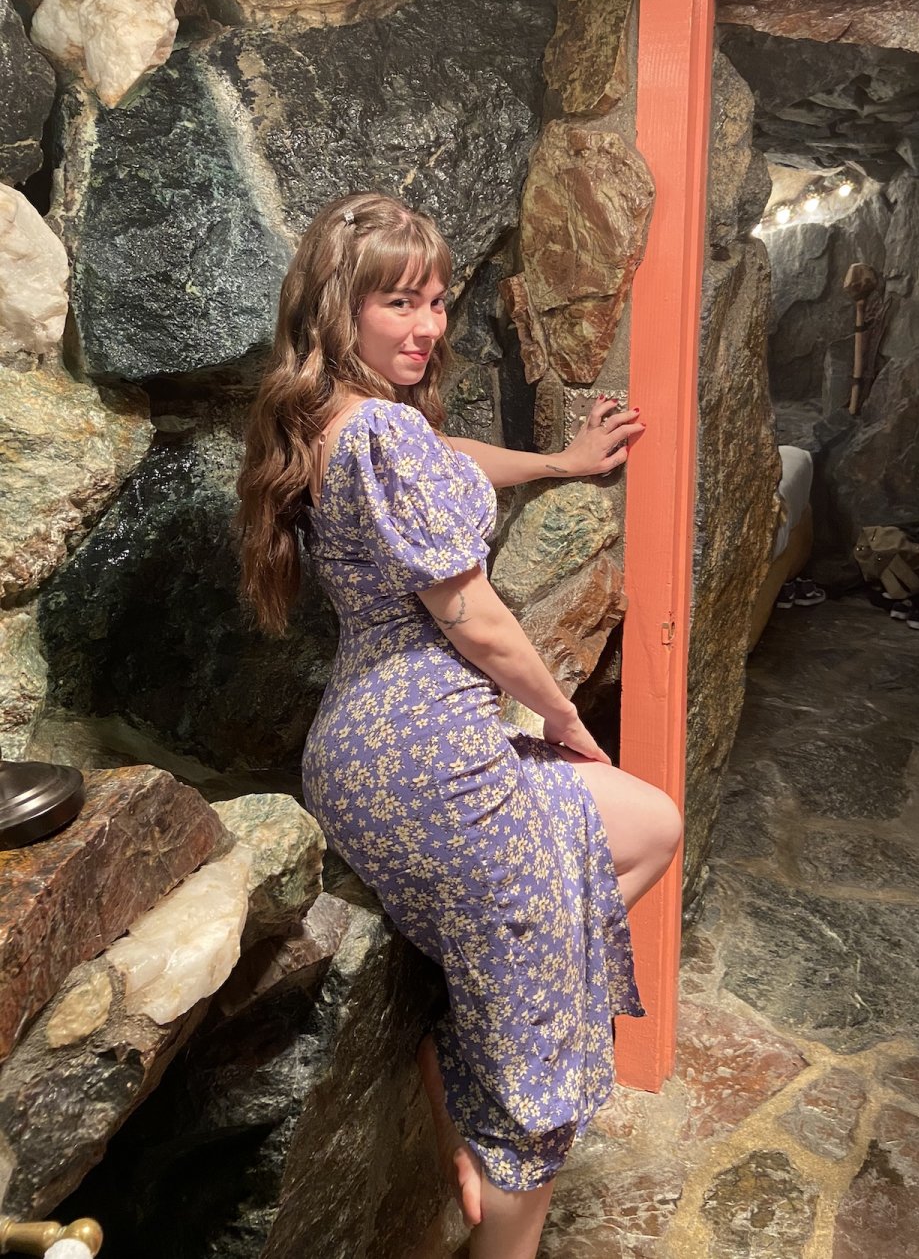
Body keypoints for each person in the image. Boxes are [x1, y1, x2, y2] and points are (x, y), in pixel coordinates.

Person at [235, 192, 682, 1258]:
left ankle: (468, 1020)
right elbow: (473, 617)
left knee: (650, 827)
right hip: (432, 760)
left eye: (436, 300)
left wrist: (561, 464)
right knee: (536, 1070)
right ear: (340, 304)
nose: (427, 324)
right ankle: (497, 1138)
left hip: (365, 752)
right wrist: (563, 714)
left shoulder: (338, 420)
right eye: (399, 301)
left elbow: (445, 461)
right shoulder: (381, 429)